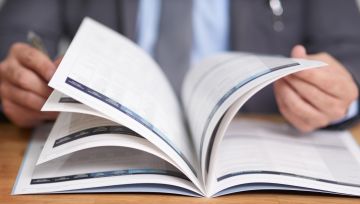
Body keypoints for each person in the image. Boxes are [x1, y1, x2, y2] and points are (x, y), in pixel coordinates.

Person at [0, 0, 359, 132]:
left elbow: (351, 55)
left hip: (263, 161)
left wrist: (341, 95)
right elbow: (18, 36)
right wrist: (20, 84)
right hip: (105, 155)